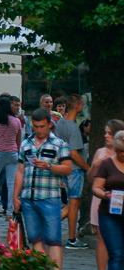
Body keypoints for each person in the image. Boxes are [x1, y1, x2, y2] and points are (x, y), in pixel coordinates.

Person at [13, 108, 73, 270]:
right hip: (29, 198)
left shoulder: (59, 144)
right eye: (36, 126)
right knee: (35, 239)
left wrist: (49, 166)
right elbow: (20, 171)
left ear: (50, 124)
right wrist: (15, 197)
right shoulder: (26, 143)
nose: (39, 130)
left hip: (49, 197)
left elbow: (68, 168)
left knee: (53, 238)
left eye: (42, 126)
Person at [91, 128, 124, 270]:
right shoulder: (106, 164)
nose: (122, 155)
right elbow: (96, 187)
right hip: (110, 213)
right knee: (117, 253)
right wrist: (104, 195)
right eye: (119, 151)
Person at [53, 93, 90, 248]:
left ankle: (49, 225)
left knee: (73, 203)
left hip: (64, 166)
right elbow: (74, 153)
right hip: (74, 169)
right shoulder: (73, 127)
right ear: (79, 105)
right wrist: (88, 168)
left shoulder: (60, 123)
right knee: (74, 203)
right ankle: (71, 238)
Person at [0, 93, 22, 219]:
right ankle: (9, 211)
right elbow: (18, 140)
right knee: (11, 184)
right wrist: (17, 152)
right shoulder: (16, 121)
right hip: (12, 153)